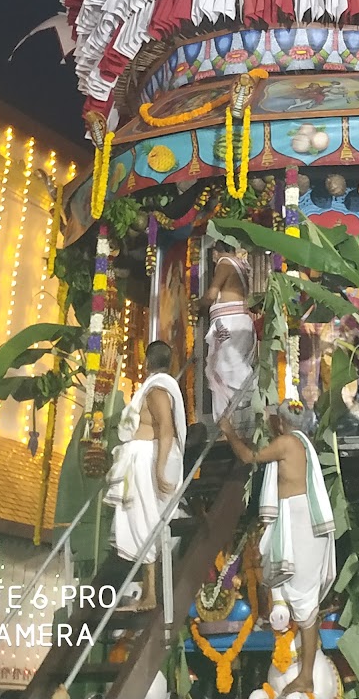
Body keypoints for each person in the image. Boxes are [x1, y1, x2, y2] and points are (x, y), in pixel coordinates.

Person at [220, 400, 336, 699]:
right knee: (292, 595)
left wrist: (228, 431)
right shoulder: (301, 442)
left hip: (300, 524)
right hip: (298, 523)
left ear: (281, 423)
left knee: (304, 603)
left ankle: (308, 677)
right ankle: (304, 673)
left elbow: (248, 457)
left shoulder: (286, 443)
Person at [104, 338, 186, 612]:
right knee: (145, 526)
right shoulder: (156, 388)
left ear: (147, 363)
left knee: (148, 526)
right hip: (144, 462)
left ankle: (150, 596)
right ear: (170, 363)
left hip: (150, 462)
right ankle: (146, 594)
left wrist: (160, 468)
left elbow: (166, 430)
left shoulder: (156, 391)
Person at [200, 248, 255, 423]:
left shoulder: (224, 263)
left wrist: (195, 304)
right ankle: (243, 406)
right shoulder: (241, 266)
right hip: (239, 323)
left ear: (217, 251)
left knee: (219, 368)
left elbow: (211, 295)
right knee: (234, 364)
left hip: (227, 324)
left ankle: (224, 422)